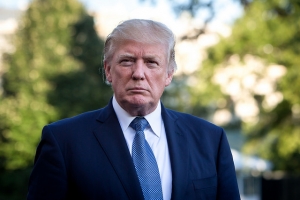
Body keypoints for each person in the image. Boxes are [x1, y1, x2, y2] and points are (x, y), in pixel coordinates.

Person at [27, 19, 240, 200]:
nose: (138, 73)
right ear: (108, 70)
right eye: (127, 61)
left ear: (168, 74)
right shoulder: (63, 141)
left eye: (151, 62)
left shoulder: (211, 140)